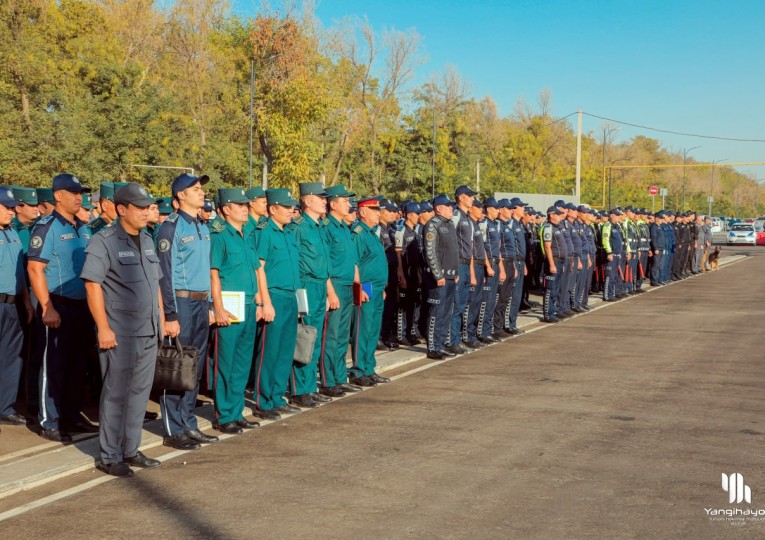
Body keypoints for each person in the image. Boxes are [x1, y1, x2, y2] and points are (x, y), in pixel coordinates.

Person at [80, 184, 164, 476]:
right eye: (139, 207)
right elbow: (92, 286)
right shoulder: (103, 241)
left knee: (140, 392)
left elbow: (156, 286)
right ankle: (110, 455)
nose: (145, 212)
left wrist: (162, 319)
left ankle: (130, 448)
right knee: (116, 393)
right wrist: (103, 327)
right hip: (120, 331)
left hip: (148, 329)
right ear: (121, 209)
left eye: (147, 207)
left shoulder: (148, 239)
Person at [27, 174, 97, 442]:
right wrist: (47, 307)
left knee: (76, 365)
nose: (79, 197)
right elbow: (35, 269)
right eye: (73, 192)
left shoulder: (84, 227)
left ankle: (71, 414)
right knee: (52, 364)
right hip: (58, 304)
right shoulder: (47, 227)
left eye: (81, 192)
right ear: (58, 196)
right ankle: (50, 420)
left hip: (82, 305)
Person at [156, 173, 219, 451]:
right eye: (195, 189)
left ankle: (189, 423)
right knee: (177, 364)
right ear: (180, 195)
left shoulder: (202, 226)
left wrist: (208, 305)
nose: (201, 193)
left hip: (200, 301)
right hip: (180, 302)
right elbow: (164, 275)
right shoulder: (171, 227)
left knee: (194, 366)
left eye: (201, 189)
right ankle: (173, 429)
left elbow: (204, 270)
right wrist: (169, 314)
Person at [208, 188, 263, 433]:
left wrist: (260, 302)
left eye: (245, 204)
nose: (245, 208)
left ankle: (236, 410)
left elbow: (254, 270)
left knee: (242, 362)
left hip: (249, 303)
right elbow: (214, 274)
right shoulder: (218, 235)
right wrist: (217, 307)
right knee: (226, 362)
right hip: (229, 305)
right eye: (239, 205)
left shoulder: (246, 234)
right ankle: (224, 415)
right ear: (225, 209)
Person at [252, 189, 301, 419]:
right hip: (274, 296)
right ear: (272, 209)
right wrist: (264, 302)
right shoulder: (265, 232)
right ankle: (264, 401)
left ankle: (277, 396)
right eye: (286, 206)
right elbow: (259, 268)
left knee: (285, 350)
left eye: (292, 206)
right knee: (269, 351)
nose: (292, 210)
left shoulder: (289, 232)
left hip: (290, 295)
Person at [288, 182, 336, 409]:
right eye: (321, 198)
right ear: (307, 201)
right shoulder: (298, 226)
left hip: (319, 286)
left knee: (315, 338)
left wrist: (328, 291)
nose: (325, 201)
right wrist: (298, 294)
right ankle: (299, 389)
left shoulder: (319, 227)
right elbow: (294, 262)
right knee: (304, 337)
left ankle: (310, 387)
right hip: (305, 285)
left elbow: (324, 264)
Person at [319, 185, 361, 398]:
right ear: (332, 204)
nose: (349, 204)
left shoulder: (345, 227)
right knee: (332, 335)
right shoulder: (326, 227)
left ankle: (338, 377)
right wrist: (329, 292)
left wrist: (357, 286)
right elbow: (325, 262)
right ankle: (328, 380)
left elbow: (353, 261)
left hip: (346, 285)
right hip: (334, 284)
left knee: (343, 335)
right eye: (344, 201)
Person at [0, 187, 34, 431]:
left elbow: (20, 272)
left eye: (12, 208)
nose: (11, 212)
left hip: (13, 305)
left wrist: (26, 302)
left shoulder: (12, 233)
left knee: (11, 359)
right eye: (6, 208)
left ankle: (5, 408)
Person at [350, 196, 391, 386]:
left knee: (373, 330)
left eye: (378, 210)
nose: (378, 213)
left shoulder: (372, 233)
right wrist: (358, 287)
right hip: (365, 286)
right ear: (363, 212)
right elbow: (354, 263)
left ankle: (369, 367)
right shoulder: (358, 233)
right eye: (374, 210)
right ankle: (358, 371)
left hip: (376, 287)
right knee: (363, 329)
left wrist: (382, 287)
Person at [421, 194, 459, 359]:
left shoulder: (449, 224)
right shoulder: (433, 225)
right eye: (448, 206)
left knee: (446, 312)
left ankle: (441, 343)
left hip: (450, 276)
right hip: (439, 277)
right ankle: (433, 347)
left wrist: (455, 272)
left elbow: (453, 252)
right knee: (436, 311)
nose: (452, 208)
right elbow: (431, 252)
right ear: (439, 208)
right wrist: (438, 275)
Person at [448, 185, 476, 354]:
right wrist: (453, 267)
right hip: (458, 263)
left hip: (466, 263)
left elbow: (470, 247)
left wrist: (471, 271)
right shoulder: (456, 215)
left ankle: (456, 339)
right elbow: (450, 241)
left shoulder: (468, 218)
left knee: (462, 303)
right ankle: (452, 340)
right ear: (461, 198)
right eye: (470, 196)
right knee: (456, 304)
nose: (473, 198)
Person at [394, 201, 423, 346]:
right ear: (410, 215)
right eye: (417, 214)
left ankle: (410, 332)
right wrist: (401, 274)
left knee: (412, 304)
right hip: (405, 271)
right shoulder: (401, 230)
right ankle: (401, 334)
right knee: (403, 306)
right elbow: (398, 254)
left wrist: (418, 274)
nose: (419, 216)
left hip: (413, 271)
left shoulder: (415, 231)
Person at [540, 206, 567, 322]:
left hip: (560, 261)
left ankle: (553, 311)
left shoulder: (558, 227)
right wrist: (551, 264)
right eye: (557, 214)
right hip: (553, 260)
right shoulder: (548, 227)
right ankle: (547, 314)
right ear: (551, 215)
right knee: (550, 288)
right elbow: (547, 246)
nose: (560, 216)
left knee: (555, 289)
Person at [601, 209, 626, 301]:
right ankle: (607, 295)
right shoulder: (607, 226)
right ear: (611, 216)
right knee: (609, 276)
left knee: (614, 275)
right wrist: (609, 252)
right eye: (617, 215)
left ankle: (613, 293)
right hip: (611, 255)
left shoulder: (616, 226)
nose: (619, 217)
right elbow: (605, 240)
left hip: (617, 254)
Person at [11, 186, 39, 253]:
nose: (35, 209)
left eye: (36, 205)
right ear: (18, 208)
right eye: (31, 205)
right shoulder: (11, 230)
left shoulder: (38, 227)